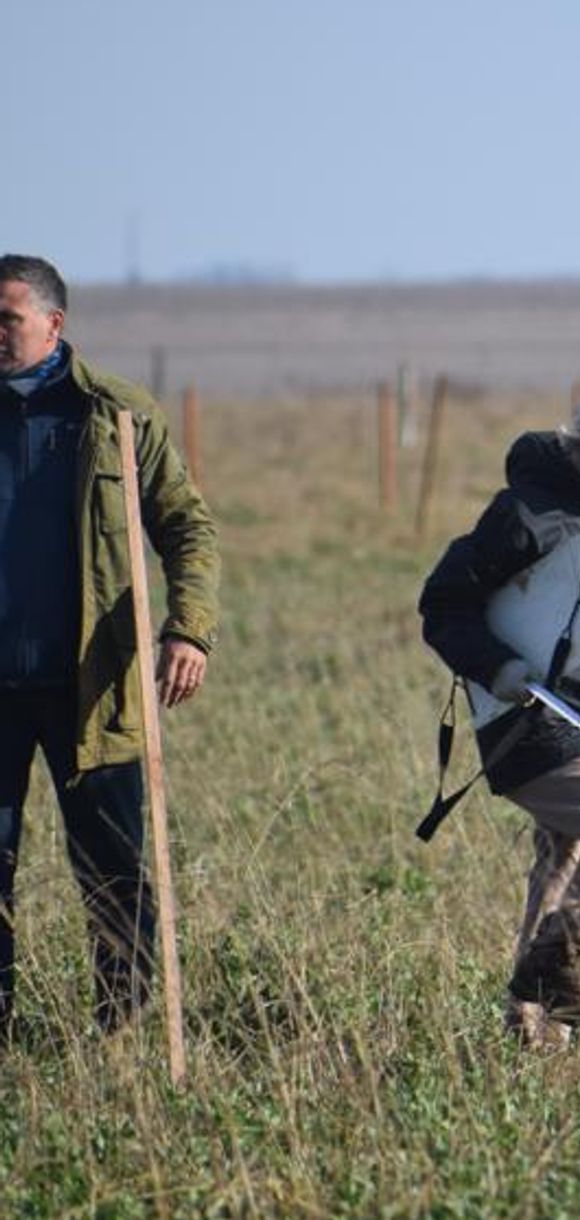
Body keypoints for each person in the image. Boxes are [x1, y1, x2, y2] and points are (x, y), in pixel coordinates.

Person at [419, 374, 580, 1045]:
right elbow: (443, 605)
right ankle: (553, 966)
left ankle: (528, 1027)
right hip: (526, 722)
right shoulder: (525, 513)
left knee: (563, 857)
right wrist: (498, 669)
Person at [0, 254, 219, 1037]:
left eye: (8, 320)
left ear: (54, 326)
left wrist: (187, 628)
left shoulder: (116, 415)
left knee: (113, 868)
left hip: (91, 687)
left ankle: (121, 1032)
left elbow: (187, 528)